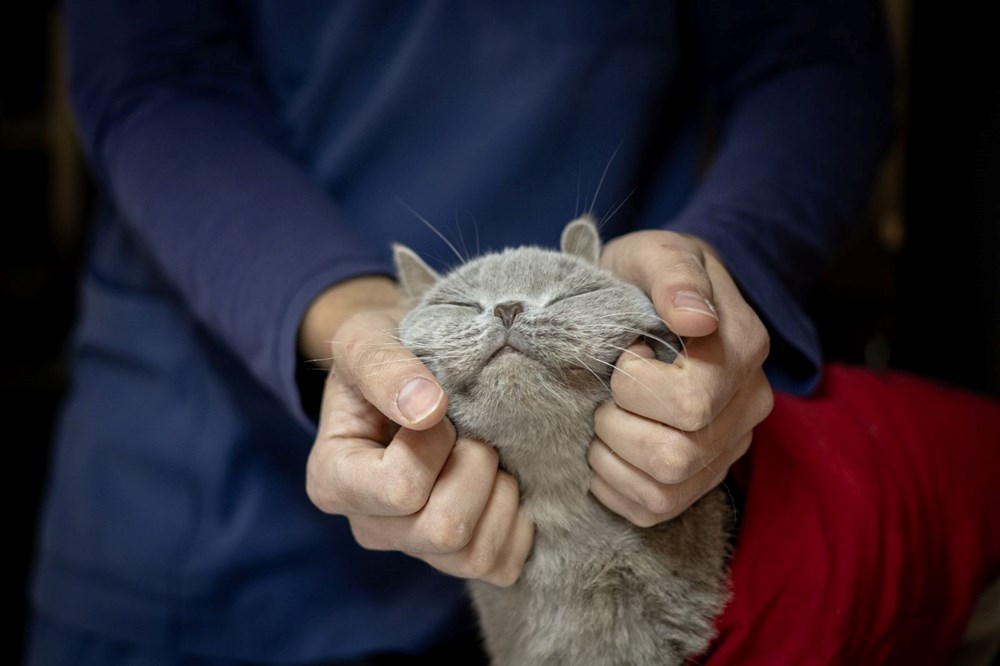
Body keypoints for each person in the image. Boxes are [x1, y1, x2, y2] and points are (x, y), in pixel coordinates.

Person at [26, 1, 999, 664]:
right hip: (211, 512)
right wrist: (350, 321)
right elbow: (155, 76)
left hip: (634, 507)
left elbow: (814, 58)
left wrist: (706, 275)